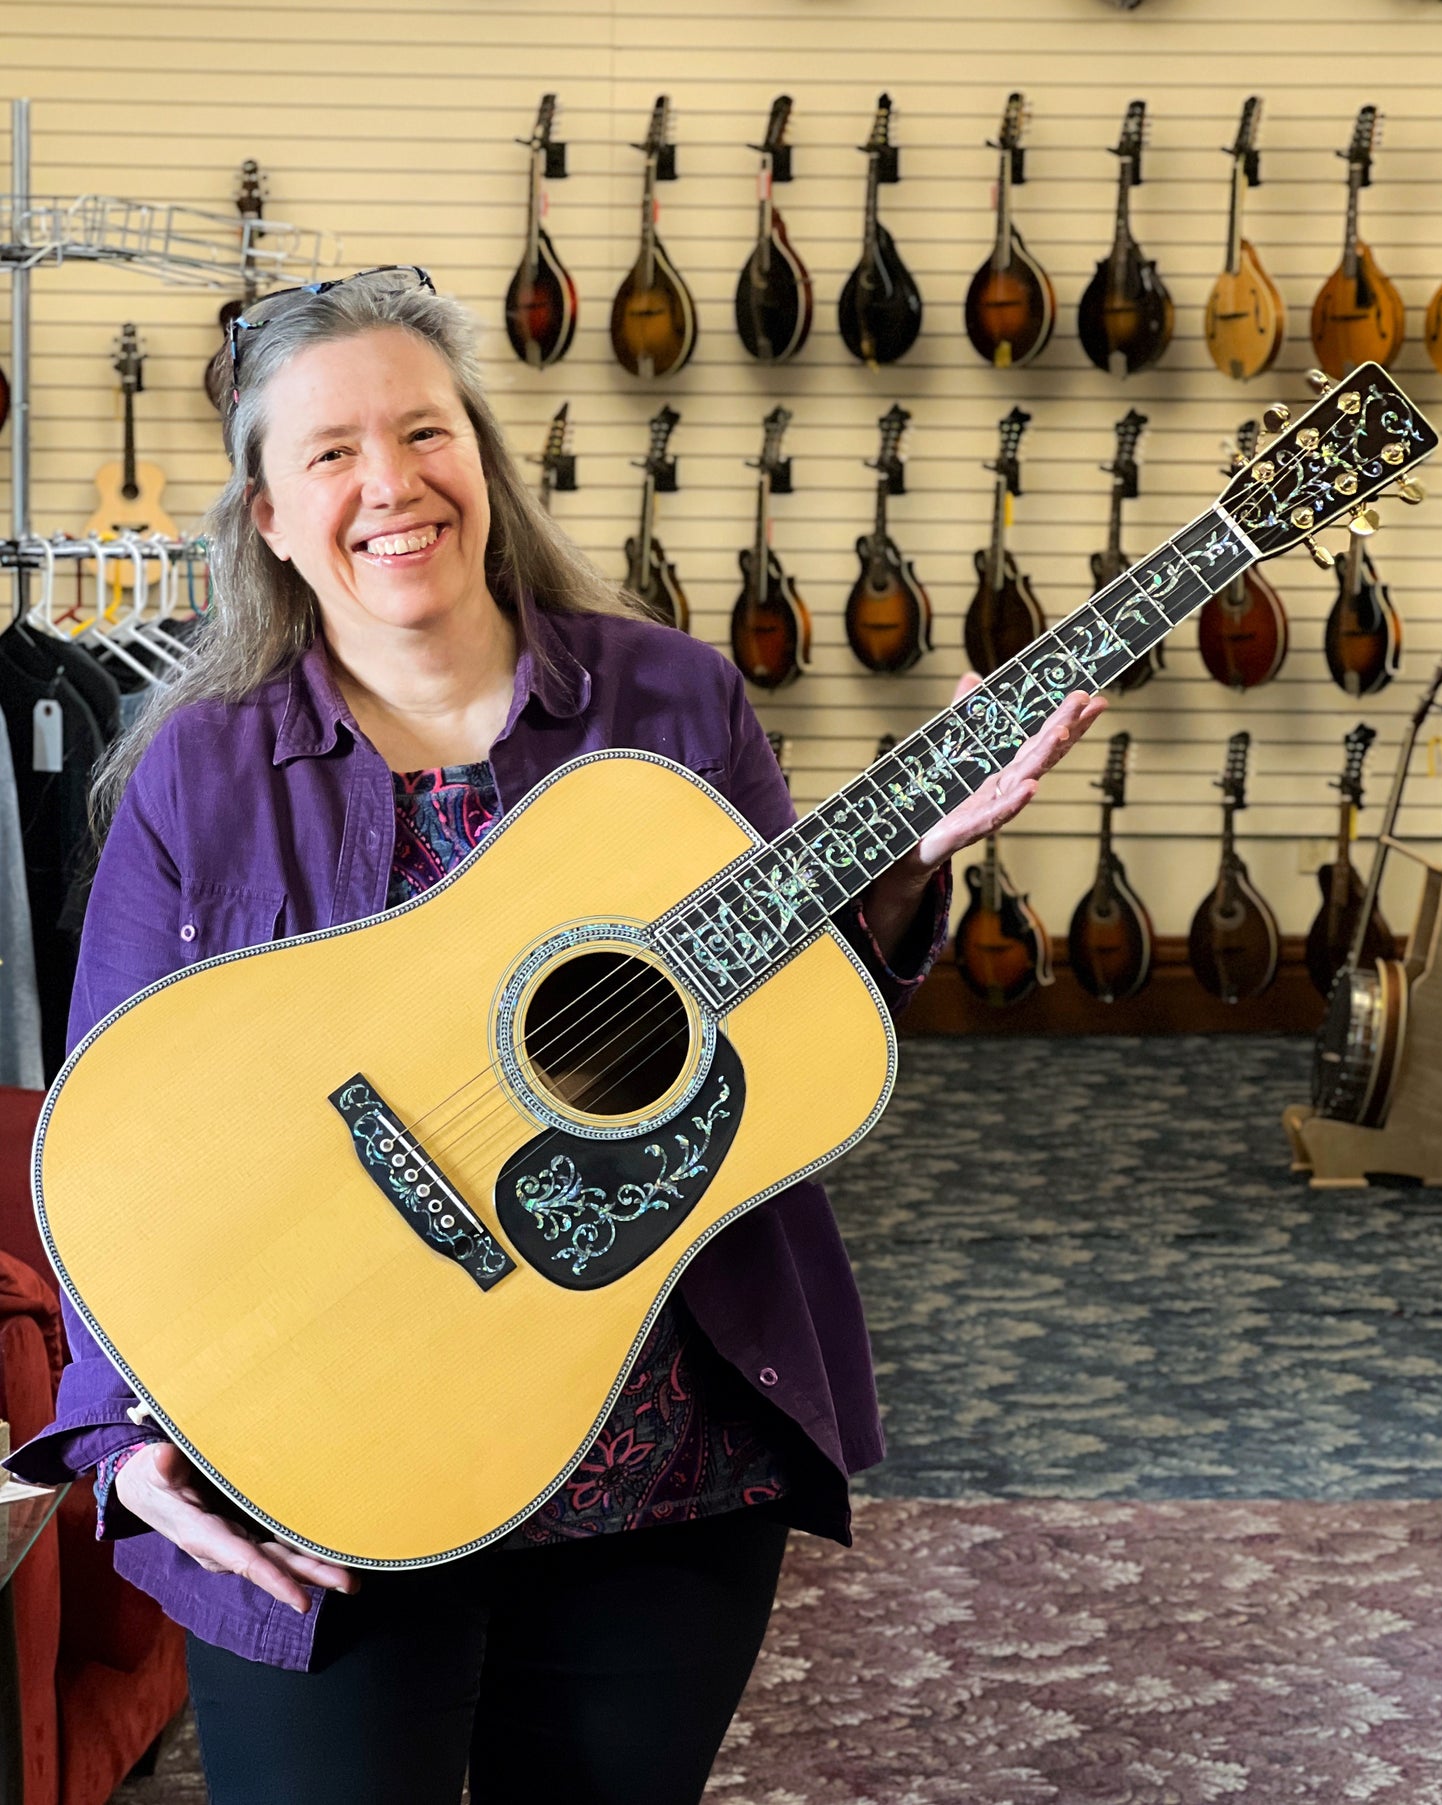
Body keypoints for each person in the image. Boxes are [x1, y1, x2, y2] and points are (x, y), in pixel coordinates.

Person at [6, 267, 1106, 1805]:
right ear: (265, 514)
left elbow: (779, 1007)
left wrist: (915, 857)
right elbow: (109, 1139)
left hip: (654, 1468)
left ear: (483, 457)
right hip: (314, 1462)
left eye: (424, 431)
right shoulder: (199, 773)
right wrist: (117, 1440)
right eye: (330, 453)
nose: (391, 482)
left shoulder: (670, 700)